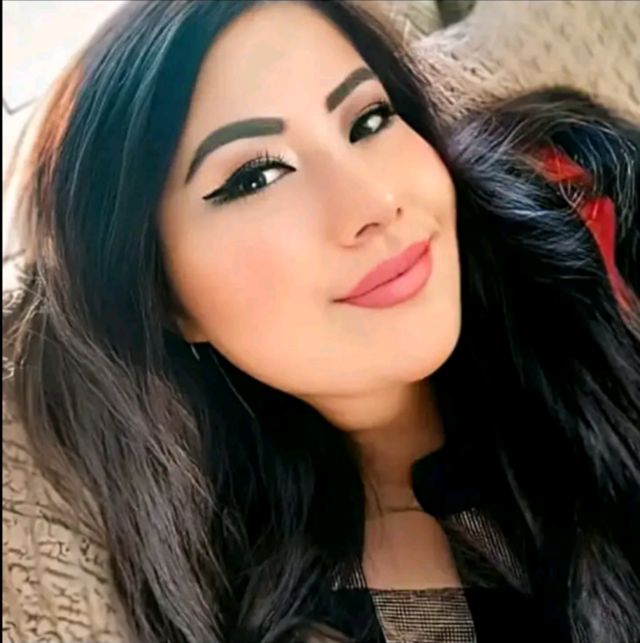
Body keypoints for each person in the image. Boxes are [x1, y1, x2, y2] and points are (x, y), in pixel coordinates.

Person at [3, 1, 640, 642]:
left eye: (369, 120)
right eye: (258, 176)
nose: (374, 202)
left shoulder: (581, 196)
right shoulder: (314, 611)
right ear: (166, 299)